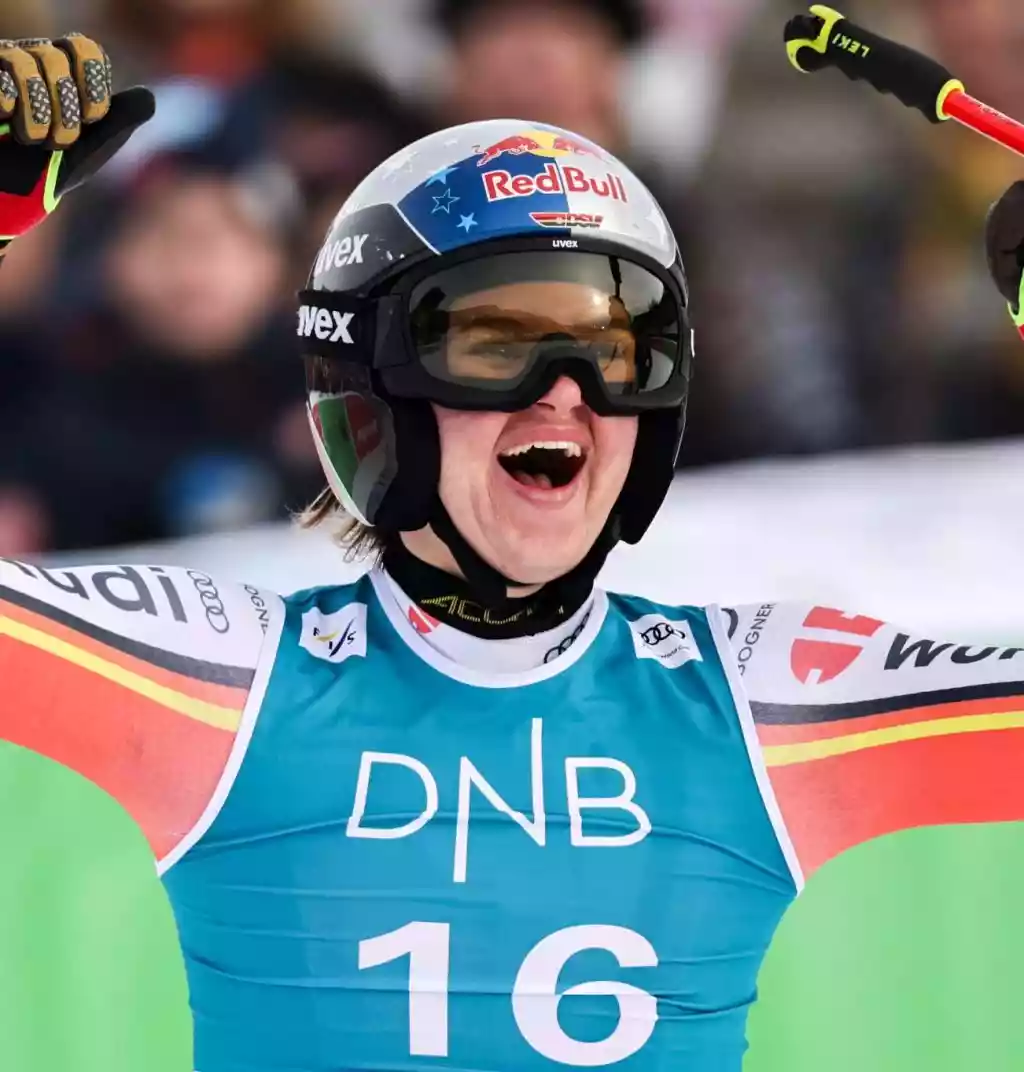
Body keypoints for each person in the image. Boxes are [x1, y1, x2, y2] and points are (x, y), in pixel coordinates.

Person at [3, 35, 1024, 1072]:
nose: (566, 393)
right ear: (372, 395)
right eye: (495, 345)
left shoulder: (753, 699)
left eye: (616, 350)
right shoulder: (235, 679)